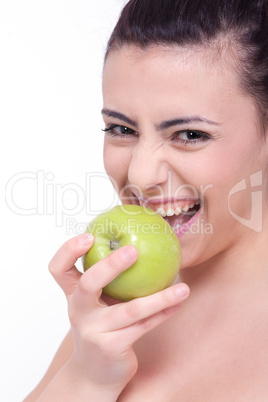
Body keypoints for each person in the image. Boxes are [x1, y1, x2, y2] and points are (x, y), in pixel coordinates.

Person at [25, 0, 268, 400]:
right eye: (121, 128)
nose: (139, 175)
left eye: (190, 134)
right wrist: (87, 379)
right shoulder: (114, 318)